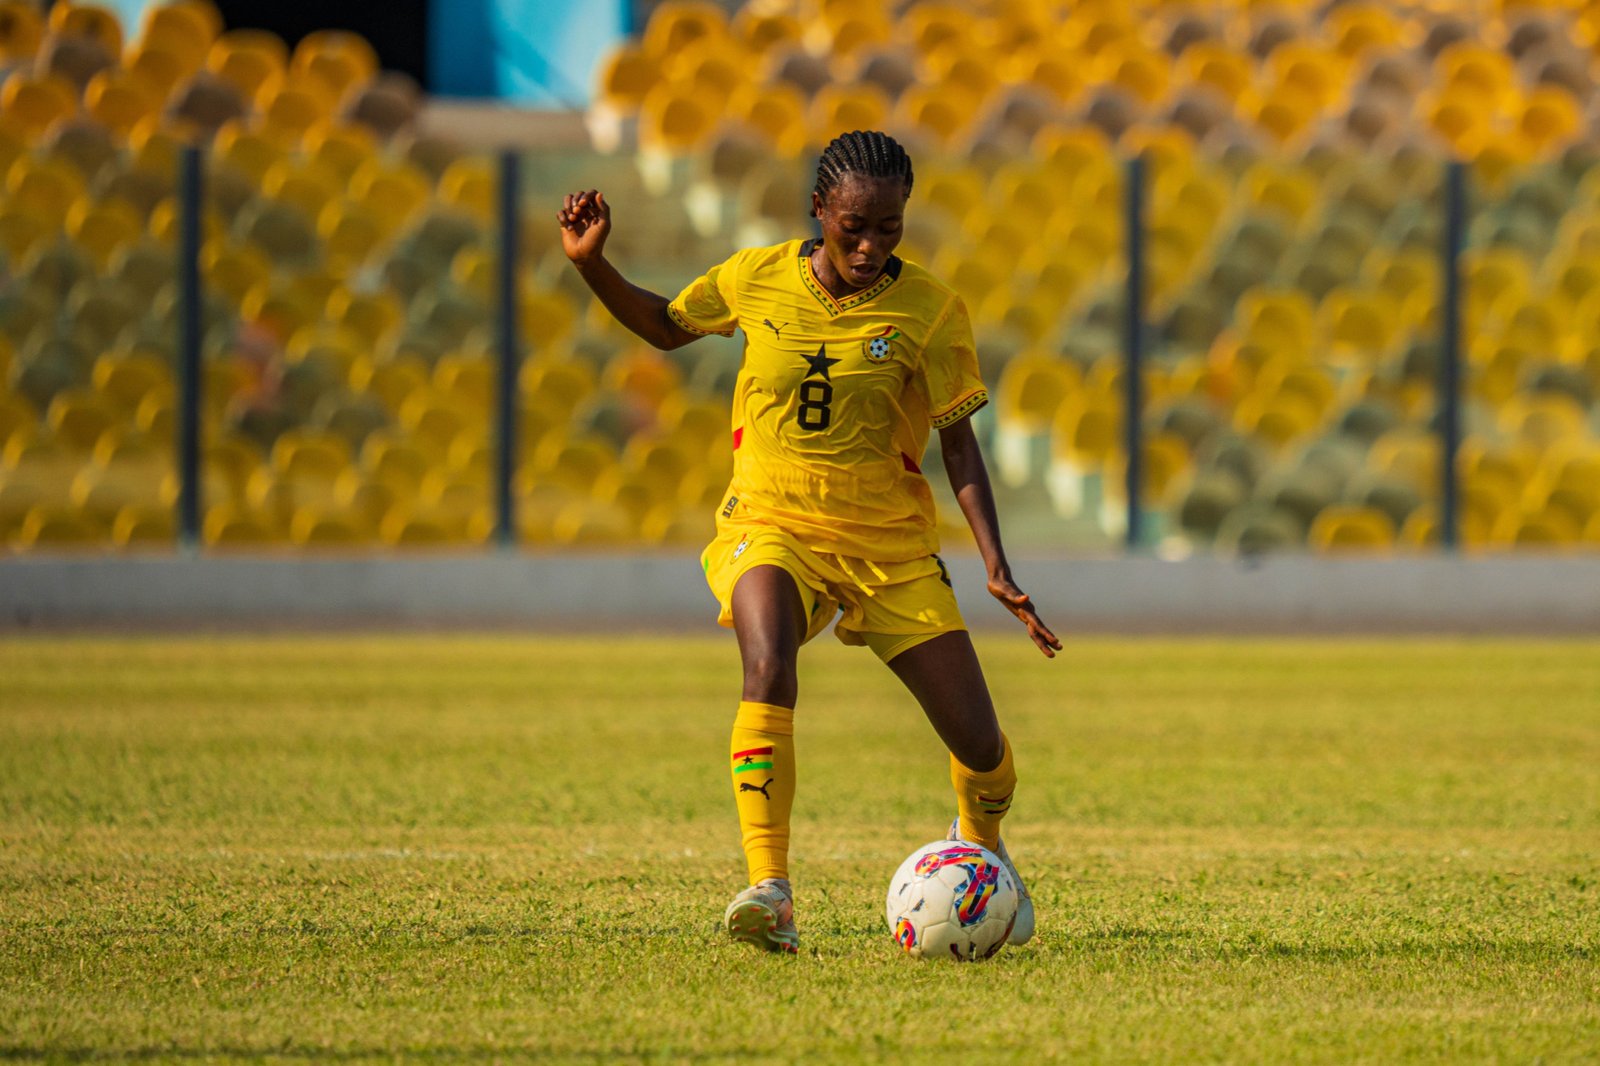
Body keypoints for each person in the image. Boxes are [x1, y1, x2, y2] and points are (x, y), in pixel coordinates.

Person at [559, 130, 1059, 955]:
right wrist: (592, 266)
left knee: (979, 745)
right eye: (854, 226)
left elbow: (959, 444)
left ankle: (983, 850)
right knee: (766, 664)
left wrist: (997, 567)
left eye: (890, 228)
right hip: (772, 520)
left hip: (888, 546)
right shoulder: (755, 277)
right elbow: (664, 325)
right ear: (818, 209)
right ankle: (772, 890)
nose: (870, 247)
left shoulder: (929, 309)